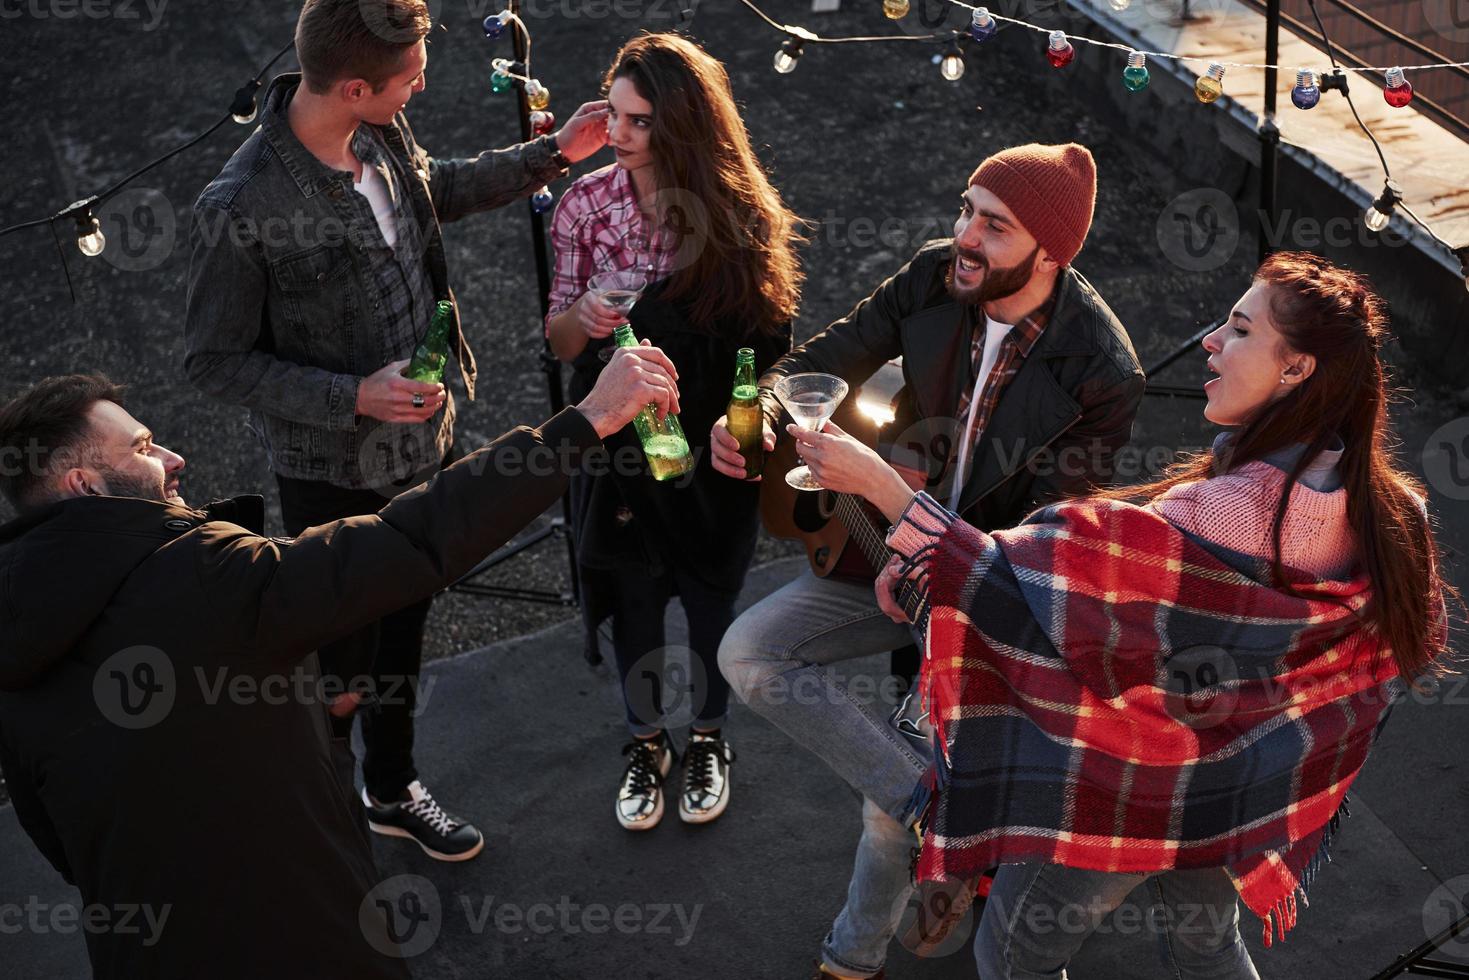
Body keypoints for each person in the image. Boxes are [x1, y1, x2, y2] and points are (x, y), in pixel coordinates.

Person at [796, 251, 1456, 978]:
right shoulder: (1395, 512)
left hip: (1127, 793)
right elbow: (1404, 648)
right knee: (1206, 945)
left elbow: (1012, 594)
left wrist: (885, 491)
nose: (1208, 340)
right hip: (1236, 792)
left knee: (1012, 953)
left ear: (1295, 369)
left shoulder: (1209, 516)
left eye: (1237, 330)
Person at [0, 349, 678, 978]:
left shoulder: (16, 641)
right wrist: (586, 421)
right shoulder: (203, 572)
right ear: (84, 484)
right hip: (310, 940)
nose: (174, 457)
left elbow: (65, 847)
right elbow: (409, 537)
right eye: (144, 448)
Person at [183, 0, 608, 861]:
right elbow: (212, 361)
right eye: (410, 76)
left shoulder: (381, 131)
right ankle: (324, 817)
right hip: (334, 471)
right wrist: (354, 395)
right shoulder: (240, 205)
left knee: (405, 622)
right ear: (351, 86)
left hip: (425, 443)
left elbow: (435, 189)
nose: (422, 85)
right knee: (340, 659)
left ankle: (391, 787)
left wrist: (551, 153)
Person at [713, 143, 1145, 979]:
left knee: (879, 817)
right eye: (964, 210)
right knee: (748, 654)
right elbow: (814, 364)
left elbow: (1049, 543)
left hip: (983, 594)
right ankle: (932, 802)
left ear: (1049, 252)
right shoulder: (932, 276)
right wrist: (756, 418)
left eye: (993, 224)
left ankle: (852, 955)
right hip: (879, 552)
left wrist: (916, 536)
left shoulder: (1100, 371)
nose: (964, 236)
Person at [545, 33, 803, 831]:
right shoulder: (582, 205)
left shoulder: (740, 211)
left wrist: (749, 422)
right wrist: (578, 320)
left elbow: (775, 347)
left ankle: (709, 737)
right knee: (631, 594)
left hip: (712, 438)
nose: (617, 134)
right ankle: (645, 740)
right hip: (619, 435)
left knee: (710, 594)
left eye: (640, 120)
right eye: (614, 113)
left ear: (684, 126)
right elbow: (553, 342)